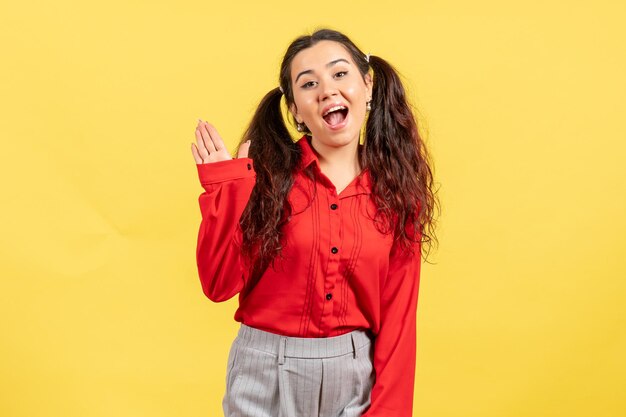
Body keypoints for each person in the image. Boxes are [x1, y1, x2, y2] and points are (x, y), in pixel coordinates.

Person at [190, 28, 438, 417]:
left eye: (340, 74)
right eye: (309, 84)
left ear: (368, 86)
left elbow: (399, 320)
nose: (327, 90)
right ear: (295, 111)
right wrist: (227, 190)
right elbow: (219, 284)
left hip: (355, 378)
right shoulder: (267, 181)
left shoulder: (397, 192)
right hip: (264, 374)